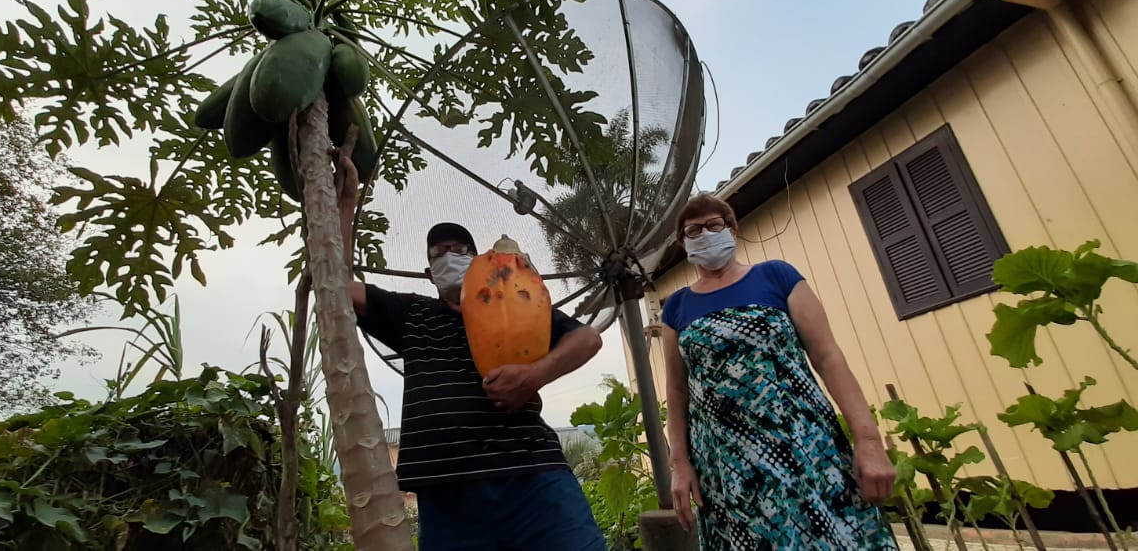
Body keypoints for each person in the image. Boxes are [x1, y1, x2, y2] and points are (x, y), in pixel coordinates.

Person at [332, 153, 609, 551]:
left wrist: (534, 376)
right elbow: (338, 285)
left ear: (481, 263)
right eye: (438, 253)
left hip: (532, 474)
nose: (450, 257)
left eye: (460, 249)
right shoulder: (410, 313)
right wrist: (345, 206)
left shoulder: (519, 301)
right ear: (429, 273)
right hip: (446, 493)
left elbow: (588, 339)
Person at [661, 192, 898, 550]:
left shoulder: (776, 276)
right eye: (693, 231)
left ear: (733, 230)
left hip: (804, 448)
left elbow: (828, 357)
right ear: (684, 243)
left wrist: (868, 440)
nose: (705, 235)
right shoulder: (677, 307)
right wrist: (679, 463)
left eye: (714, 225)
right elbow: (677, 392)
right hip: (726, 467)